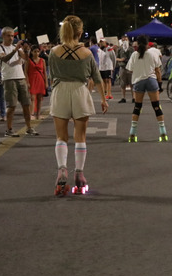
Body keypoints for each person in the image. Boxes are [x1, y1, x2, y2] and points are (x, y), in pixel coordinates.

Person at [48, 16, 108, 195]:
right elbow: (97, 79)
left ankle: (61, 170)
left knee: (61, 136)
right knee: (80, 136)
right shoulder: (87, 53)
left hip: (60, 91)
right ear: (80, 32)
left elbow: (52, 76)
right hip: (80, 92)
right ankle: (79, 175)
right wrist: (104, 99)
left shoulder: (53, 51)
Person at [0, 27, 38, 137]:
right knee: (12, 105)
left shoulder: (17, 48)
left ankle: (29, 127)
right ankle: (9, 129)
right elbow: (5, 59)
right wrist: (16, 49)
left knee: (26, 104)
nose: (11, 38)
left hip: (20, 77)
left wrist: (26, 50)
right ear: (3, 36)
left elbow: (26, 58)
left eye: (12, 36)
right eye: (8, 35)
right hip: (9, 78)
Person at [125, 34, 168, 142]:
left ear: (137, 43)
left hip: (139, 81)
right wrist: (160, 84)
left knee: (137, 107)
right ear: (147, 43)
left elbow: (129, 69)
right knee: (156, 106)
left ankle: (132, 133)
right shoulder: (152, 54)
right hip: (151, 80)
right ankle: (163, 132)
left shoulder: (134, 55)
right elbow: (158, 70)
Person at [26, 45, 48, 121]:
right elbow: (25, 72)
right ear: (31, 52)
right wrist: (27, 82)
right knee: (32, 98)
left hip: (40, 80)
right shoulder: (28, 60)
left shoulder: (42, 60)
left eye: (38, 51)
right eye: (35, 51)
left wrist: (46, 83)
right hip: (32, 80)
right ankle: (31, 114)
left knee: (39, 98)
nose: (36, 53)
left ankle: (38, 114)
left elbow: (45, 72)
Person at [115, 38, 134, 103]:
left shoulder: (131, 49)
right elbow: (116, 58)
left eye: (126, 39)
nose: (125, 41)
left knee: (132, 83)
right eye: (123, 40)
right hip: (122, 67)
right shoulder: (119, 49)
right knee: (122, 83)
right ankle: (123, 97)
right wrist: (121, 60)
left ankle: (133, 97)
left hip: (130, 67)